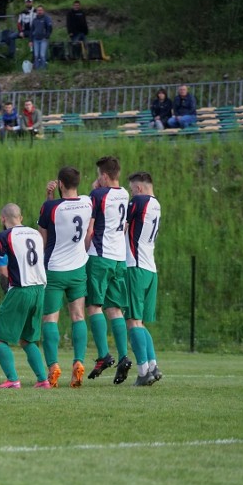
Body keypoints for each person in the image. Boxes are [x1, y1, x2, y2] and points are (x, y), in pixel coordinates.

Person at [37, 167, 93, 388]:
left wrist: (48, 198)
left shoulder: (50, 207)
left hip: (54, 269)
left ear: (60, 183)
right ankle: (78, 362)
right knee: (78, 316)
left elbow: (43, 237)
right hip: (78, 267)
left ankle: (53, 367)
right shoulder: (88, 202)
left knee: (50, 319)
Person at [0, 203, 50, 389]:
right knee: (28, 339)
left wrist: (7, 291)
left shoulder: (3, 237)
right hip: (39, 290)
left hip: (20, 289)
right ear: (21, 218)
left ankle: (12, 380)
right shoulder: (36, 234)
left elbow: (3, 269)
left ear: (2, 219)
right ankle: (42, 380)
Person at [84, 156, 131, 385]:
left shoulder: (97, 195)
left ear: (103, 175)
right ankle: (123, 356)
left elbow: (90, 228)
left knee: (94, 306)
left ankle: (103, 355)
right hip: (119, 258)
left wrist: (84, 251)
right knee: (115, 309)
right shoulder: (125, 193)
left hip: (100, 256)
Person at [125, 171, 163, 386]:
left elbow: (121, 227)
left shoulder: (138, 201)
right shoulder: (156, 204)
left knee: (132, 321)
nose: (131, 193)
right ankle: (153, 365)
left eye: (131, 189)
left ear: (138, 188)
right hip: (150, 268)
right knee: (139, 321)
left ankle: (143, 372)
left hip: (135, 266)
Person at [30, 6, 53, 70]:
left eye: (41, 10)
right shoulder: (34, 20)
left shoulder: (46, 18)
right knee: (36, 56)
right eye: (38, 10)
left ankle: (43, 70)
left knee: (42, 55)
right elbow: (31, 30)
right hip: (35, 39)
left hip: (43, 39)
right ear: (36, 12)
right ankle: (37, 70)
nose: (39, 12)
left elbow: (50, 28)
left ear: (43, 11)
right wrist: (30, 40)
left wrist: (47, 36)